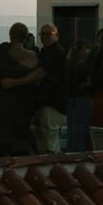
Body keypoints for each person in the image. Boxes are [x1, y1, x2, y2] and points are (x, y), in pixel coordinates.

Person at [0, 22, 43, 157]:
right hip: (24, 102)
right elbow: (37, 79)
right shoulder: (32, 56)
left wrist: (0, 93)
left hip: (4, 101)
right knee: (21, 140)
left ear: (10, 35)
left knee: (4, 141)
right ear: (25, 37)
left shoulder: (1, 54)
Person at [35, 23, 67, 154]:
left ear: (56, 35)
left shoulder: (55, 53)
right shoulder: (50, 52)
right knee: (50, 139)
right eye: (42, 34)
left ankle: (54, 168)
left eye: (49, 34)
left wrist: (16, 81)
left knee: (50, 143)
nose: (45, 37)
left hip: (52, 103)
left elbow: (42, 73)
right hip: (51, 103)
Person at [65, 38, 94, 152]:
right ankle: (80, 149)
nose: (89, 51)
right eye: (86, 49)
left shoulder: (69, 64)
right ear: (79, 51)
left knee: (72, 127)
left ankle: (71, 149)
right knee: (83, 126)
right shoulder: (83, 66)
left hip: (72, 98)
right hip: (83, 99)